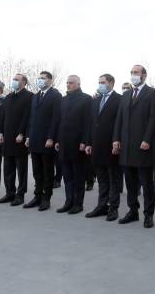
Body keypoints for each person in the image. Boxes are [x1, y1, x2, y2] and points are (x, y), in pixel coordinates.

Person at [114, 65, 155, 228]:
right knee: (130, 183)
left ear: (144, 75)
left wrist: (147, 139)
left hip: (143, 145)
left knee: (146, 183)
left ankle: (148, 215)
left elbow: (154, 118)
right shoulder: (125, 95)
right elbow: (119, 119)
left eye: (136, 73)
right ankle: (133, 211)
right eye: (131, 73)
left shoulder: (153, 94)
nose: (133, 75)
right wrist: (116, 139)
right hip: (126, 146)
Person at [85, 74, 122, 220]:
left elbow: (120, 123)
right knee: (102, 179)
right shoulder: (96, 101)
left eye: (103, 82)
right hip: (96, 146)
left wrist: (117, 141)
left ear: (111, 83)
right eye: (99, 82)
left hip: (111, 145)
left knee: (114, 179)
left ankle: (113, 208)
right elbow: (90, 123)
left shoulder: (119, 100)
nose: (100, 85)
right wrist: (89, 142)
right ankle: (102, 206)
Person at [24, 71, 62, 211]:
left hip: (47, 140)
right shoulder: (35, 96)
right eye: (39, 78)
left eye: (43, 78)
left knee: (47, 171)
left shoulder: (56, 96)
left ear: (50, 81)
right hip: (34, 138)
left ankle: (46, 198)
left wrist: (51, 137)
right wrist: (28, 136)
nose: (40, 80)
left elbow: (56, 118)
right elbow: (31, 118)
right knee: (37, 171)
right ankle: (37, 196)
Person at [55, 75, 92, 214]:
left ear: (78, 84)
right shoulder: (63, 100)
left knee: (78, 176)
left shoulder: (86, 99)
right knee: (67, 176)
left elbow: (88, 122)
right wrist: (57, 139)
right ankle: (68, 201)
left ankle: (78, 204)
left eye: (71, 83)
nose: (68, 85)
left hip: (78, 144)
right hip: (64, 143)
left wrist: (85, 141)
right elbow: (60, 122)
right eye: (67, 83)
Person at [0, 74, 33, 206]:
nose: (14, 81)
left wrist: (22, 133)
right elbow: (2, 116)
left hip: (19, 138)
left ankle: (20, 194)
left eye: (17, 80)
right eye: (14, 79)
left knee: (21, 169)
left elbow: (28, 117)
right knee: (8, 168)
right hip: (7, 137)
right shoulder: (9, 97)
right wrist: (0, 132)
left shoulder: (29, 96)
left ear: (24, 82)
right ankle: (9, 193)